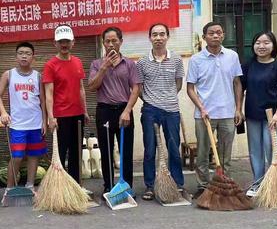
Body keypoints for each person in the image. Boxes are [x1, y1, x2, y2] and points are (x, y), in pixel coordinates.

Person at [187, 22, 243, 196]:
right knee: (203, 154)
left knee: (226, 155)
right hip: (204, 115)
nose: (216, 36)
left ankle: (224, 185)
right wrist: (201, 108)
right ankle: (203, 186)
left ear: (223, 35)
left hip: (228, 113)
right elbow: (190, 88)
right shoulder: (196, 60)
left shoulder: (232, 56)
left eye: (219, 32)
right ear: (204, 37)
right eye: (211, 33)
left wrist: (238, 109)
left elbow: (237, 83)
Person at [88, 26, 140, 198]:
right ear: (103, 43)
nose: (110, 44)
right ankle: (109, 186)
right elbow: (92, 86)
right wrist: (104, 67)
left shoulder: (130, 64)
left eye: (114, 41)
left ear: (121, 42)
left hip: (124, 110)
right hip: (104, 111)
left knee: (126, 150)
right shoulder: (96, 64)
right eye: (107, 41)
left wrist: (127, 111)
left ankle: (126, 186)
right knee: (106, 150)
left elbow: (135, 89)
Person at [136, 23, 185, 200]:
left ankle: (177, 184)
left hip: (171, 110)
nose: (158, 38)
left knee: (173, 147)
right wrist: (151, 100)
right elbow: (139, 88)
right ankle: (150, 185)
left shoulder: (177, 59)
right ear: (150, 37)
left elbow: (178, 84)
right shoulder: (142, 62)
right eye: (155, 35)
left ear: (167, 37)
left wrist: (167, 98)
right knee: (150, 149)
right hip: (150, 110)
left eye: (162, 34)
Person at [0, 42, 47, 197]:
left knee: (33, 155)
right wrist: (3, 112)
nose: (24, 56)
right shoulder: (9, 74)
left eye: (28, 53)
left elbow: (43, 101)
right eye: (21, 53)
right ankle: (9, 189)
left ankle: (30, 186)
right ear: (16, 56)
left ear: (33, 57)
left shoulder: (38, 76)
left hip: (35, 123)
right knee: (16, 157)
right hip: (17, 124)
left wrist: (44, 121)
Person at [43, 25, 89, 182]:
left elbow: (81, 88)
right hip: (60, 116)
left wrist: (85, 111)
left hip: (77, 115)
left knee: (77, 152)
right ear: (55, 43)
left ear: (73, 42)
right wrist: (51, 117)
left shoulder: (77, 62)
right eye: (61, 41)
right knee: (60, 152)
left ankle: (76, 185)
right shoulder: (50, 65)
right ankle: (60, 185)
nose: (64, 44)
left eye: (67, 41)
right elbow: (48, 93)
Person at [241, 31, 277, 181]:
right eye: (258, 42)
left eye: (266, 42)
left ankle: (275, 182)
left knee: (272, 148)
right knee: (255, 150)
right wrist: (239, 110)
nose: (262, 46)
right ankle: (258, 182)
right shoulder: (248, 64)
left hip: (272, 116)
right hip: (253, 114)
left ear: (273, 45)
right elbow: (240, 89)